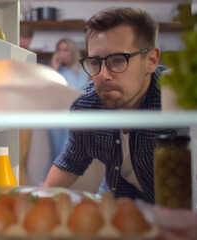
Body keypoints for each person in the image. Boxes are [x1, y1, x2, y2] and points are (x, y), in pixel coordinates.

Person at [43, 7, 177, 203]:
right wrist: (38, 203)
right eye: (95, 62)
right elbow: (69, 163)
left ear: (151, 60)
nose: (103, 75)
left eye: (117, 60)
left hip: (174, 211)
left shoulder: (175, 99)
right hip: (117, 203)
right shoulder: (87, 107)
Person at [48, 38, 89, 175]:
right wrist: (53, 66)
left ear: (72, 52)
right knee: (55, 155)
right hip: (55, 118)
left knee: (67, 155)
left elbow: (76, 93)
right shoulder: (55, 71)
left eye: (65, 50)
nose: (61, 53)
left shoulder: (82, 71)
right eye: (59, 49)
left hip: (72, 117)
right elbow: (49, 92)